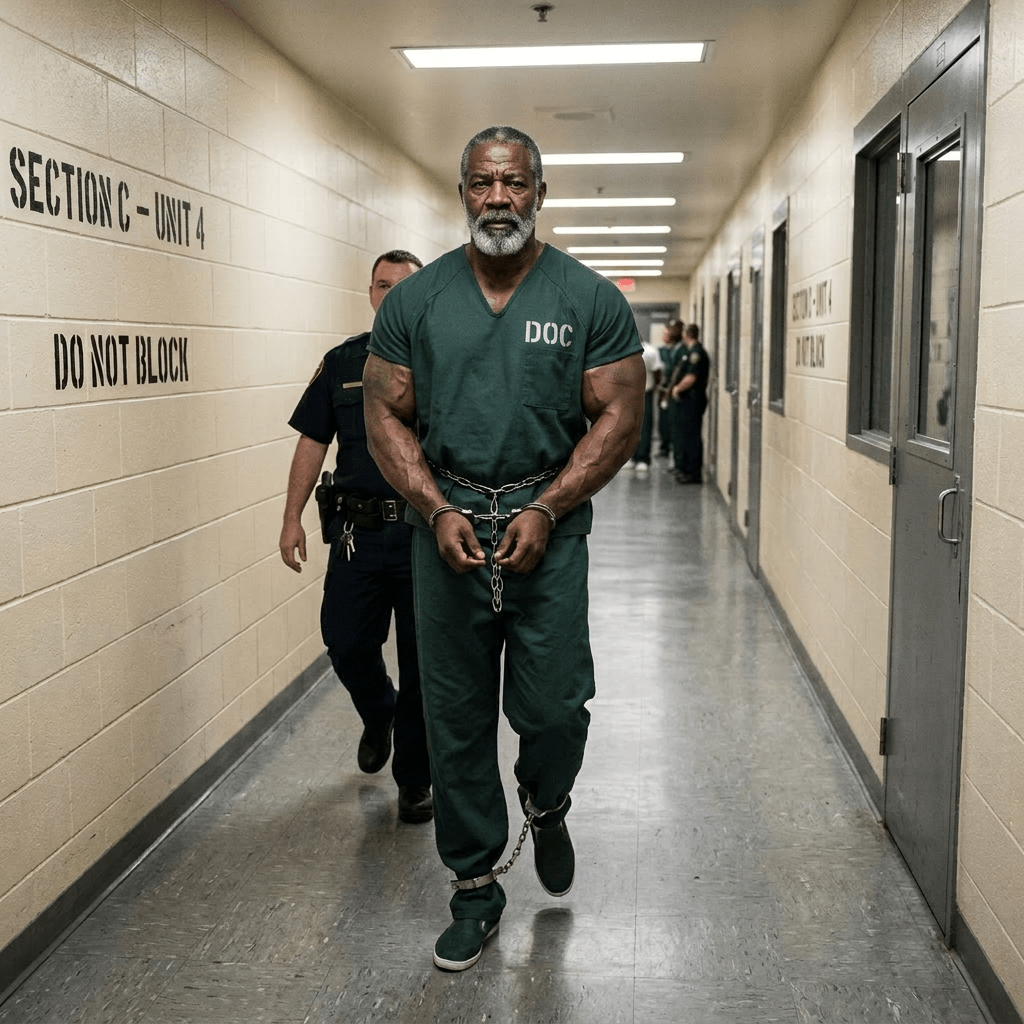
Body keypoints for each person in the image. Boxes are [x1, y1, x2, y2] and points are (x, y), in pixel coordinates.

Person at [362, 126, 645, 972]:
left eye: (514, 183)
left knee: (554, 709)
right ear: (462, 194)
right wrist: (431, 505)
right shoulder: (418, 303)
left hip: (546, 531)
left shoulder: (588, 299)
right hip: (443, 528)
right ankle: (475, 885)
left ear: (539, 193)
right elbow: (383, 413)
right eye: (482, 183)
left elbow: (622, 415)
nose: (498, 199)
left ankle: (547, 800)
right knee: (453, 717)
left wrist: (553, 507)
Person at [278, 250, 433, 825]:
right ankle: (378, 711)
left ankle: (415, 781)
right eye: (381, 285)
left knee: (424, 666)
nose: (390, 296)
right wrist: (291, 516)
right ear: (369, 292)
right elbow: (313, 441)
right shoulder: (343, 361)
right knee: (345, 642)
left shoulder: (443, 360)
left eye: (403, 288)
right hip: (357, 536)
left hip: (422, 536)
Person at [670, 323, 711, 483]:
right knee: (686, 436)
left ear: (687, 334)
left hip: (693, 400)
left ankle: (693, 473)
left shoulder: (696, 353)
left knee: (692, 437)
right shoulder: (690, 351)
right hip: (689, 401)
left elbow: (691, 377)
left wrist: (677, 389)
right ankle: (687, 470)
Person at [629, 331, 662, 473]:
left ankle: (643, 459)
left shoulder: (650, 352)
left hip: (644, 393)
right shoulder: (626, 351)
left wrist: (654, 387)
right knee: (629, 427)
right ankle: (632, 457)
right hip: (628, 395)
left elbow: (657, 371)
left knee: (645, 426)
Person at [655, 320, 684, 460]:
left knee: (672, 421)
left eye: (666, 333)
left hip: (673, 390)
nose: (663, 335)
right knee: (663, 421)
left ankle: (672, 447)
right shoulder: (661, 351)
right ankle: (664, 446)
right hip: (663, 389)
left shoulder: (679, 351)